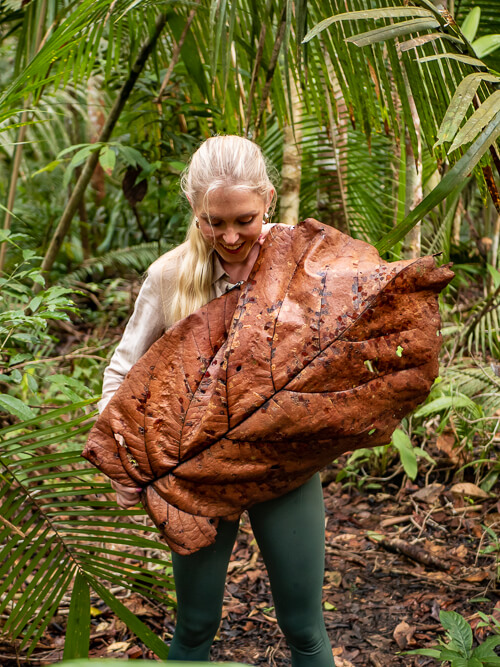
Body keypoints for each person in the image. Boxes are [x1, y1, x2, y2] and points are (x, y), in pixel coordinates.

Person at [98, 135, 335, 665]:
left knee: (304, 627)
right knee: (196, 625)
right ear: (195, 210)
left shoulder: (304, 262)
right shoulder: (169, 276)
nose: (229, 235)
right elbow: (121, 371)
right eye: (213, 221)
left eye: (244, 220)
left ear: (268, 199)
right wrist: (124, 458)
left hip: (281, 463)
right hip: (199, 470)